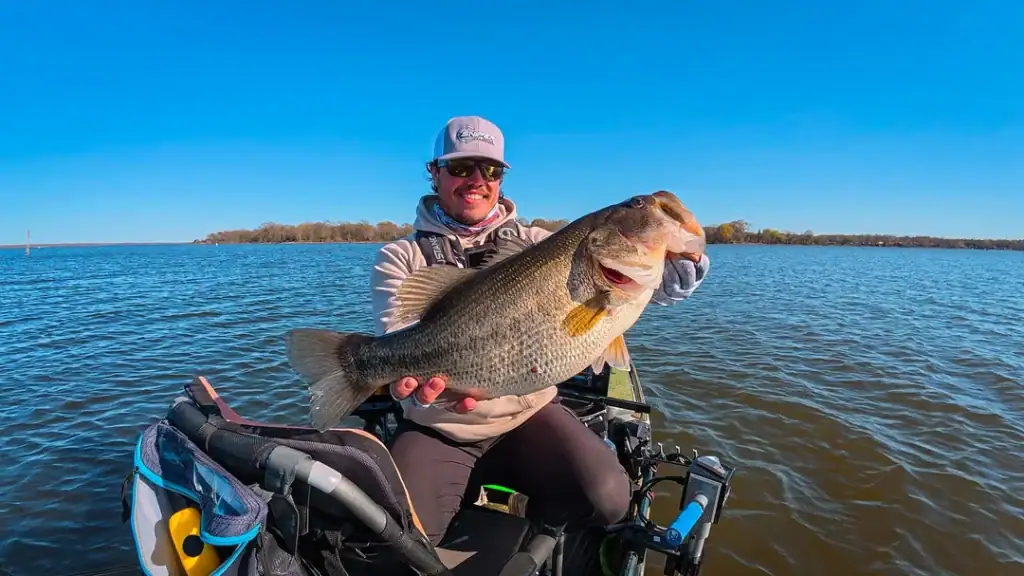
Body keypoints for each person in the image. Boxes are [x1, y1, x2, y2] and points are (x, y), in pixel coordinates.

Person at [369, 115, 711, 546]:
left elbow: (644, 288)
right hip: (440, 425)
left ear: (500, 180)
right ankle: (475, 498)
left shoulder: (537, 242)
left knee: (608, 498)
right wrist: (406, 374)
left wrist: (683, 268)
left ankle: (513, 508)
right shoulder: (399, 256)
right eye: (461, 168)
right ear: (434, 173)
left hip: (527, 414)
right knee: (399, 540)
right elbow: (400, 332)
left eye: (490, 170)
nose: (477, 180)